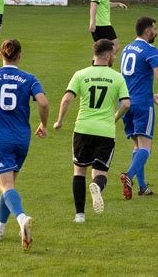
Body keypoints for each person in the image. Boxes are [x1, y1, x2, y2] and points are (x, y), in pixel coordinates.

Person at [0, 39, 49, 250]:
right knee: (9, 185)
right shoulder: (29, 78)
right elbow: (43, 102)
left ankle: (22, 219)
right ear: (19, 56)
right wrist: (43, 124)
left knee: (6, 186)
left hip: (0, 138)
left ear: (2, 55)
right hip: (22, 139)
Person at [54, 39, 130, 223]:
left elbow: (66, 100)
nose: (114, 57)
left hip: (83, 129)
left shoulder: (80, 75)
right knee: (100, 173)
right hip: (105, 131)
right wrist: (115, 117)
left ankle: (79, 215)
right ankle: (96, 186)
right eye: (113, 54)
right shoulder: (117, 77)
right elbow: (126, 104)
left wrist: (59, 121)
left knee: (79, 171)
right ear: (106, 55)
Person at [119, 17, 158, 200]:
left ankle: (142, 186)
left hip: (125, 103)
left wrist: (151, 94)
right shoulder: (150, 50)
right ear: (147, 31)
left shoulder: (127, 48)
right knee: (146, 147)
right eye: (154, 28)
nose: (156, 32)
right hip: (141, 105)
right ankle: (128, 176)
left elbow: (133, 77)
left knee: (137, 145)